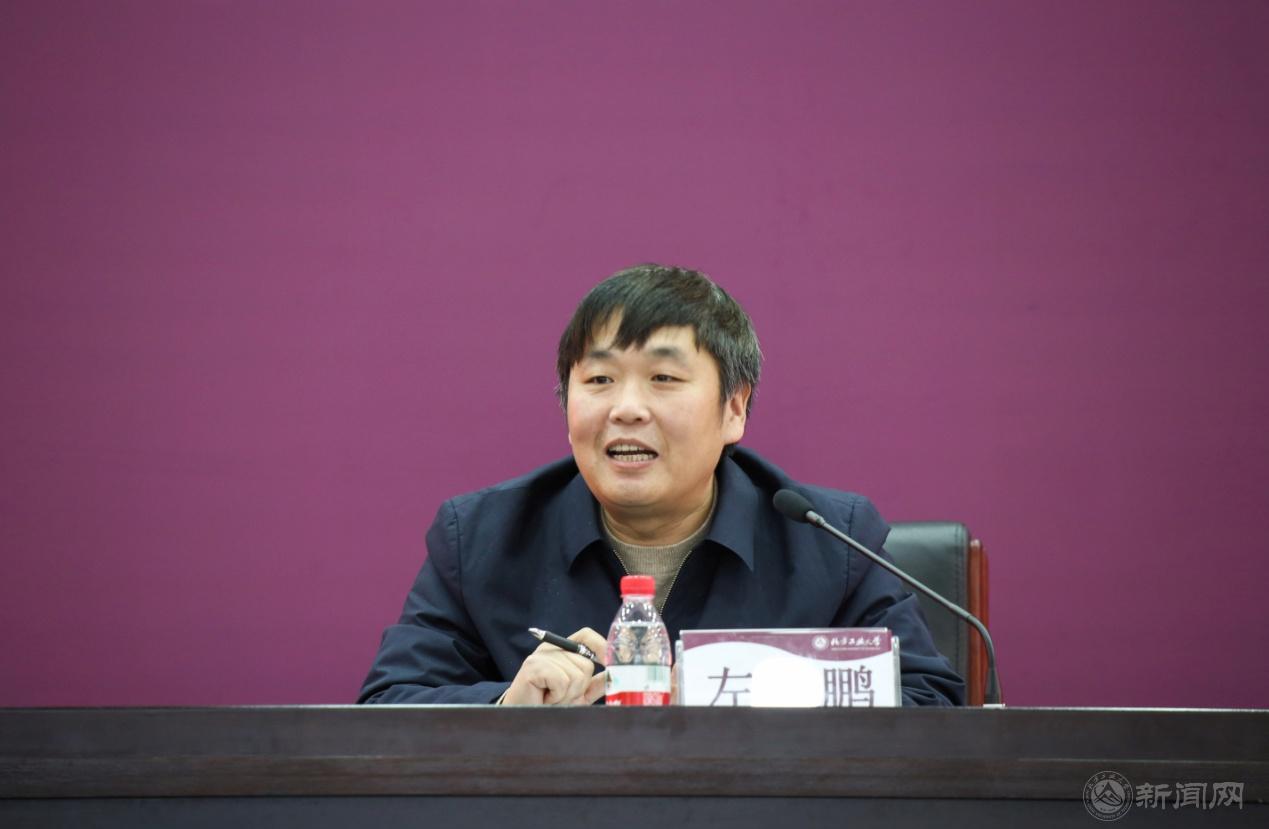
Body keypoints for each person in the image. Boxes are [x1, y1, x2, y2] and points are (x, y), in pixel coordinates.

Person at [359, 264, 964, 706]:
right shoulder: (480, 539)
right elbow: (387, 708)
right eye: (599, 380)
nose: (626, 408)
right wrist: (504, 708)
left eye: (664, 379)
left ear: (734, 408)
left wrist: (747, 693)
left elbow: (931, 705)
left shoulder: (831, 541)